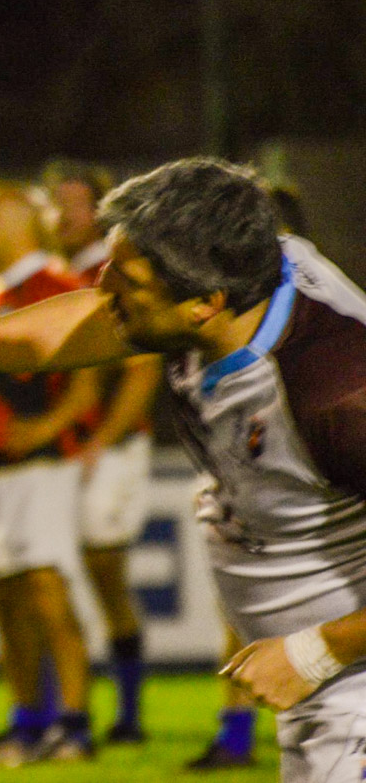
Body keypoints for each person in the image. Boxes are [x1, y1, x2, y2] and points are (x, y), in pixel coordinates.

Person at [0, 157, 366, 783]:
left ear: (205, 304)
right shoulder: (236, 273)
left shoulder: (338, 395)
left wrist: (318, 650)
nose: (102, 290)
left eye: (128, 283)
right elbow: (86, 321)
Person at [0, 181, 100, 765]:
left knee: (47, 588)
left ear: (17, 220)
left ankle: (76, 724)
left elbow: (88, 382)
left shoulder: (57, 288)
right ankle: (27, 722)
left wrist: (42, 431)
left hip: (37, 468)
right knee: (4, 596)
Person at [185, 182, 314, 771]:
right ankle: (236, 738)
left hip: (313, 493)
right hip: (247, 481)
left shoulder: (320, 323)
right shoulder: (229, 309)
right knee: (242, 613)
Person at [42, 159, 161, 744]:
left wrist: (99, 441)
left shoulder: (112, 272)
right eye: (56, 202)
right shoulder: (54, 274)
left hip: (108, 450)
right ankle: (70, 715)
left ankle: (130, 714)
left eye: (76, 203)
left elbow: (141, 370)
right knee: (61, 579)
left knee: (104, 573)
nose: (63, 214)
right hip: (64, 450)